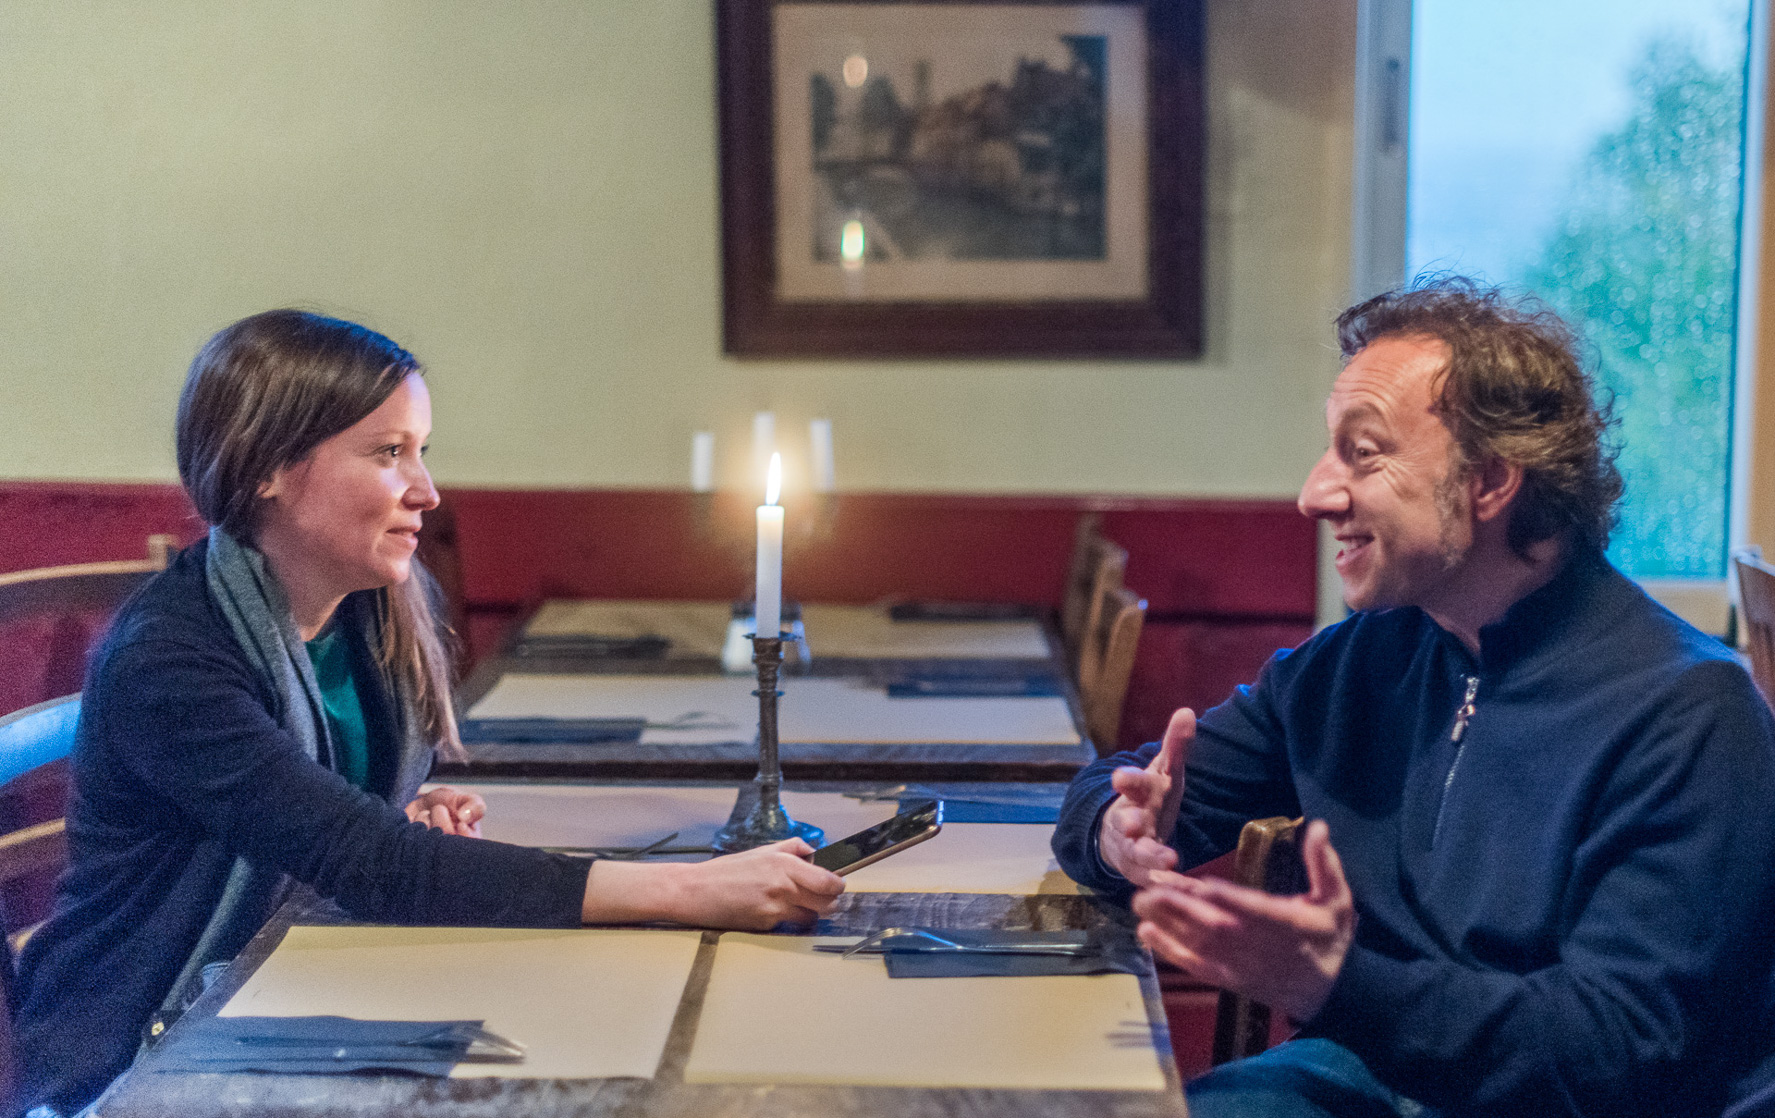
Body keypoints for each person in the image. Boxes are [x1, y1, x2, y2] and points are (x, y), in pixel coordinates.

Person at [11, 310, 847, 1116]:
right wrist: (690, 890)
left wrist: (379, 806)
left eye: (422, 450)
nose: (428, 490)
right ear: (264, 467)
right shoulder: (171, 656)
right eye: (388, 453)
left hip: (287, 983)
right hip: (138, 1042)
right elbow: (377, 865)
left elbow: (343, 834)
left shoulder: (372, 602)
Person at [1052, 278, 1775, 1117]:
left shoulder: (1691, 713)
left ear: (1491, 481)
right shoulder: (1363, 658)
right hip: (1362, 1080)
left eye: (1363, 453)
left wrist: (1335, 984)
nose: (1313, 495)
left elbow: (1612, 1054)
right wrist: (1118, 829)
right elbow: (1126, 788)